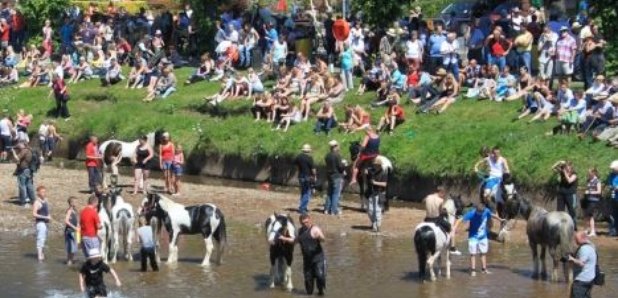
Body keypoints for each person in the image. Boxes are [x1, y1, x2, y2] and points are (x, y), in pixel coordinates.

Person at [452, 203, 505, 276]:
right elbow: (460, 220)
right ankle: (473, 270)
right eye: (479, 212)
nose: (480, 214)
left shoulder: (486, 211)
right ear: (476, 210)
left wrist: (500, 219)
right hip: (473, 236)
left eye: (481, 212)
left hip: (483, 236)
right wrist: (454, 228)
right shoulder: (471, 214)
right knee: (473, 254)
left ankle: (484, 269)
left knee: (483, 253)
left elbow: (492, 215)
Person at [474, 146, 511, 217]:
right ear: (492, 153)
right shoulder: (488, 158)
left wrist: (507, 172)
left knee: (509, 193)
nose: (497, 155)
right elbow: (479, 163)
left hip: (500, 179)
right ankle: (492, 210)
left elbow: (507, 169)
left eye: (498, 153)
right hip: (491, 179)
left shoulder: (503, 160)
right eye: (495, 153)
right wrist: (476, 167)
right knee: (485, 195)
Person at [297, 214, 326, 296]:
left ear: (310, 220)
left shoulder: (315, 229)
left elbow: (323, 239)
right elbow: (294, 241)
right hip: (307, 261)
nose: (305, 224)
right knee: (309, 288)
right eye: (303, 223)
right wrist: (282, 238)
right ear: (300, 223)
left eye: (306, 222)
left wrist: (319, 237)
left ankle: (321, 293)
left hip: (318, 259)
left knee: (320, 277)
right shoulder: (300, 231)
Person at [568, 231, 597, 298]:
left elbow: (581, 263)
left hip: (581, 280)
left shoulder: (584, 249)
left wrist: (571, 259)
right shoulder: (592, 246)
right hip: (590, 279)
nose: (575, 241)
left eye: (576, 239)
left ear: (582, 238)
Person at [553, 160, 579, 230]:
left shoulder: (574, 174)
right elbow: (553, 168)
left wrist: (564, 173)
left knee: (571, 210)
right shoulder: (562, 172)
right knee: (560, 210)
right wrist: (558, 162)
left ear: (571, 167)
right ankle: (560, 225)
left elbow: (569, 180)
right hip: (561, 194)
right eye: (565, 167)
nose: (566, 168)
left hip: (570, 194)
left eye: (568, 167)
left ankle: (574, 226)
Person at [324, 140, 346, 216]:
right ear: (335, 146)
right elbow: (340, 167)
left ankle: (326, 209)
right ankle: (334, 210)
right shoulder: (337, 155)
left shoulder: (327, 155)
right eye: (338, 146)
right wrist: (344, 164)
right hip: (337, 176)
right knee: (336, 194)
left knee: (329, 193)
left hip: (329, 176)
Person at [365, 157, 387, 232]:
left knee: (377, 210)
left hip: (379, 193)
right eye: (374, 165)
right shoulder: (371, 171)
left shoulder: (384, 173)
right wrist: (366, 173)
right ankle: (374, 223)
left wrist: (375, 183)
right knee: (369, 210)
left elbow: (385, 184)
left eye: (376, 165)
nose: (375, 166)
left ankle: (377, 225)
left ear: (380, 165)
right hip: (371, 192)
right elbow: (367, 177)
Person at [12, 141, 35, 206]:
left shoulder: (24, 151)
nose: (18, 145)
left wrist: (13, 152)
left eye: (19, 144)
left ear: (23, 145)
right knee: (29, 185)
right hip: (29, 170)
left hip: (23, 170)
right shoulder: (30, 150)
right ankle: (32, 200)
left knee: (22, 186)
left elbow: (16, 158)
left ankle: (23, 201)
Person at [295, 144, 317, 214]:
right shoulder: (309, 158)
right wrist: (315, 175)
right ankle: (303, 208)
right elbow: (313, 169)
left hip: (301, 176)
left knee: (303, 192)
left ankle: (302, 207)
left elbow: (296, 165)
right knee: (307, 193)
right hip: (308, 176)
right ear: (308, 151)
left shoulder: (298, 157)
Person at [32, 186, 51, 262]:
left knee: (44, 238)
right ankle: (39, 255)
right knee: (40, 239)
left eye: (45, 191)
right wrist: (45, 217)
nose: (44, 193)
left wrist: (48, 216)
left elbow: (47, 211)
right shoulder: (37, 202)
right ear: (38, 193)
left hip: (45, 223)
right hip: (40, 223)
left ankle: (42, 253)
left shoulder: (45, 201)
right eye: (42, 192)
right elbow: (34, 214)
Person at [582, 168, 601, 237]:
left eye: (590, 172)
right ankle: (587, 230)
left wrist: (589, 192)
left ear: (594, 173)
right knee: (586, 215)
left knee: (590, 215)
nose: (588, 174)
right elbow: (587, 189)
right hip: (587, 200)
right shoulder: (589, 180)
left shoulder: (597, 181)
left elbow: (599, 192)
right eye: (588, 172)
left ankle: (592, 231)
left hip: (594, 200)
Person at [64, 196, 79, 265]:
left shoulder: (75, 211)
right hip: (70, 231)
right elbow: (66, 221)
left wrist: (78, 226)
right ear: (71, 203)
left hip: (76, 231)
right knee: (71, 248)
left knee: (75, 247)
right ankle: (69, 261)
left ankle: (72, 260)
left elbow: (76, 220)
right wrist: (74, 227)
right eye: (75, 202)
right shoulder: (69, 211)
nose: (77, 203)